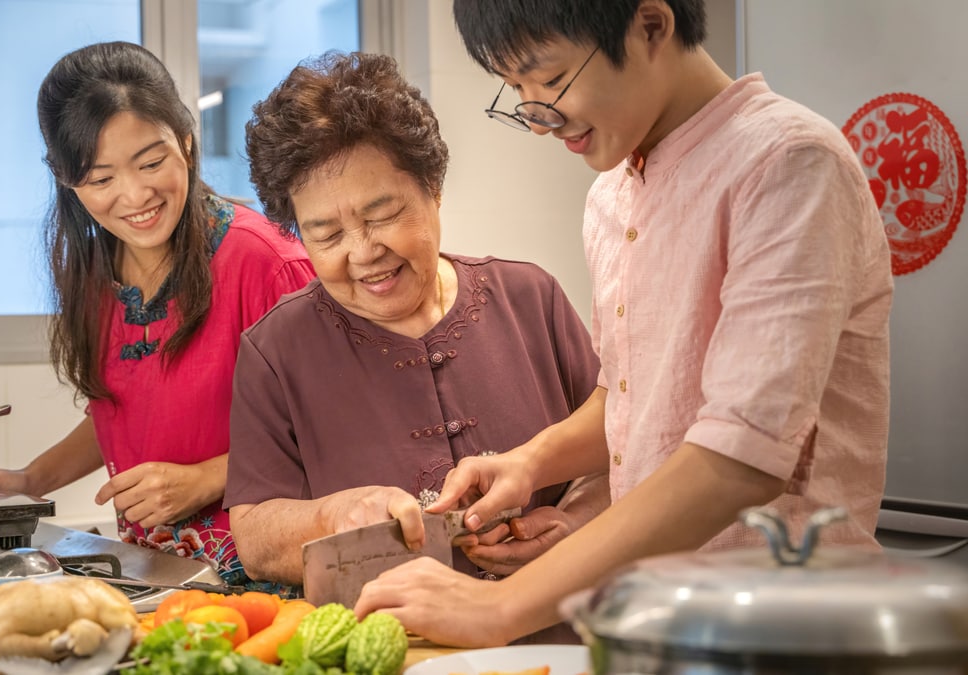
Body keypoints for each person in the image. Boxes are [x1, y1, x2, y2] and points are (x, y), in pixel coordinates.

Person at [354, 0, 893, 646]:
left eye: (550, 81)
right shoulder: (611, 194)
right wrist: (532, 459)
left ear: (651, 25)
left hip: (785, 629)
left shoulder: (789, 164)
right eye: (517, 89)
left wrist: (496, 607)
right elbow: (633, 396)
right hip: (654, 624)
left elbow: (742, 456)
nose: (537, 118)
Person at [223, 51, 605, 595]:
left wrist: (575, 523)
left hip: (557, 628)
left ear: (434, 188)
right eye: (326, 235)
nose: (363, 252)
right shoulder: (275, 351)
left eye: (382, 215)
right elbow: (256, 538)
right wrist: (333, 515)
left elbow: (618, 449)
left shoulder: (529, 298)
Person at [0, 41, 315, 588]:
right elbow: (121, 412)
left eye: (151, 162)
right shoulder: (98, 275)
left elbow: (330, 428)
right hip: (159, 577)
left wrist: (204, 479)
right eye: (100, 180)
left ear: (187, 144)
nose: (134, 195)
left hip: (268, 579)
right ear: (66, 180)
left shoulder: (264, 260)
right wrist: (31, 479)